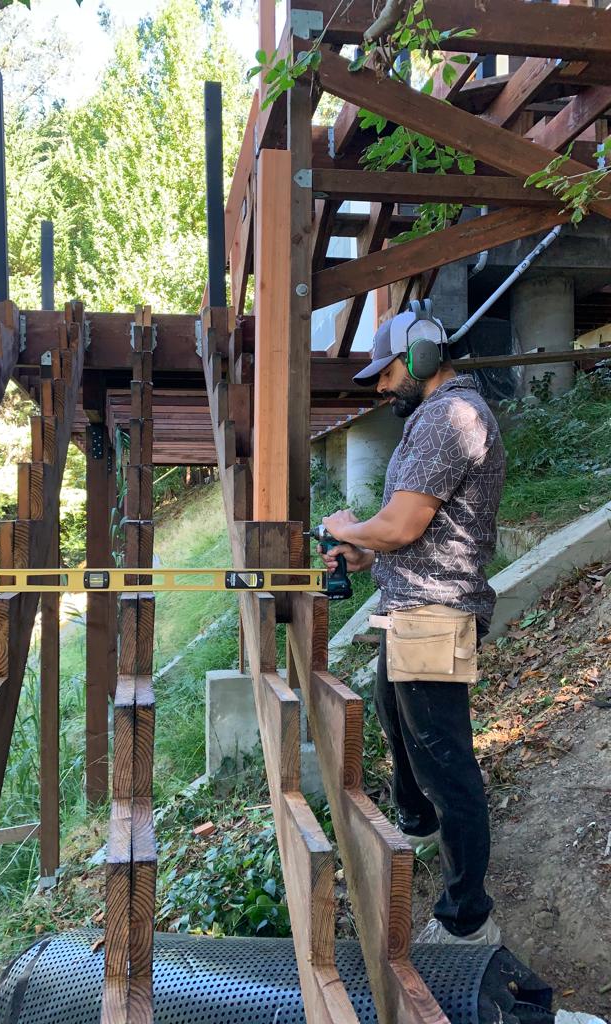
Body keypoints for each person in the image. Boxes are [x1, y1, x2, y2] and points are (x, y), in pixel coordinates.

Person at [318, 301, 505, 947]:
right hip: (413, 605)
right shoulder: (434, 417)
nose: (379, 384)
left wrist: (347, 529)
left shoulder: (452, 416)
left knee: (444, 759)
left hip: (435, 611)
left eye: (387, 370)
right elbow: (415, 533)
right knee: (396, 719)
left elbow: (401, 525)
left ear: (422, 356)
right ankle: (418, 826)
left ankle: (466, 918)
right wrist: (367, 552)